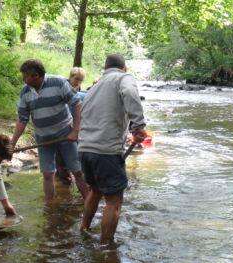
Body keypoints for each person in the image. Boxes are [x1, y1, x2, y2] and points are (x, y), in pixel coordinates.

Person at [78, 54, 147, 245]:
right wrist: (138, 126)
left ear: (105, 68)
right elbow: (130, 94)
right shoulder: (124, 78)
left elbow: (82, 111)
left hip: (85, 149)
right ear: (124, 68)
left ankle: (83, 228)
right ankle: (106, 246)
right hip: (106, 150)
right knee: (113, 201)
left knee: (95, 191)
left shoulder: (95, 86)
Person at [11, 59, 88, 202]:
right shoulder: (25, 92)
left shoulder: (58, 82)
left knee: (77, 171)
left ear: (35, 75)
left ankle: (89, 204)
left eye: (25, 76)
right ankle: (50, 207)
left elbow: (77, 104)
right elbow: (22, 119)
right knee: (47, 174)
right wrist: (12, 144)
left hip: (66, 135)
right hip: (43, 139)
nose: (23, 79)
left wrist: (75, 131)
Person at [56, 67, 88, 185]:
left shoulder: (81, 93)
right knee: (60, 158)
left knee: (76, 157)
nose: (78, 82)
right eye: (77, 79)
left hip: (76, 129)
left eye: (81, 80)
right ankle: (63, 179)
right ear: (71, 76)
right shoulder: (63, 88)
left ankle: (68, 181)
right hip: (62, 127)